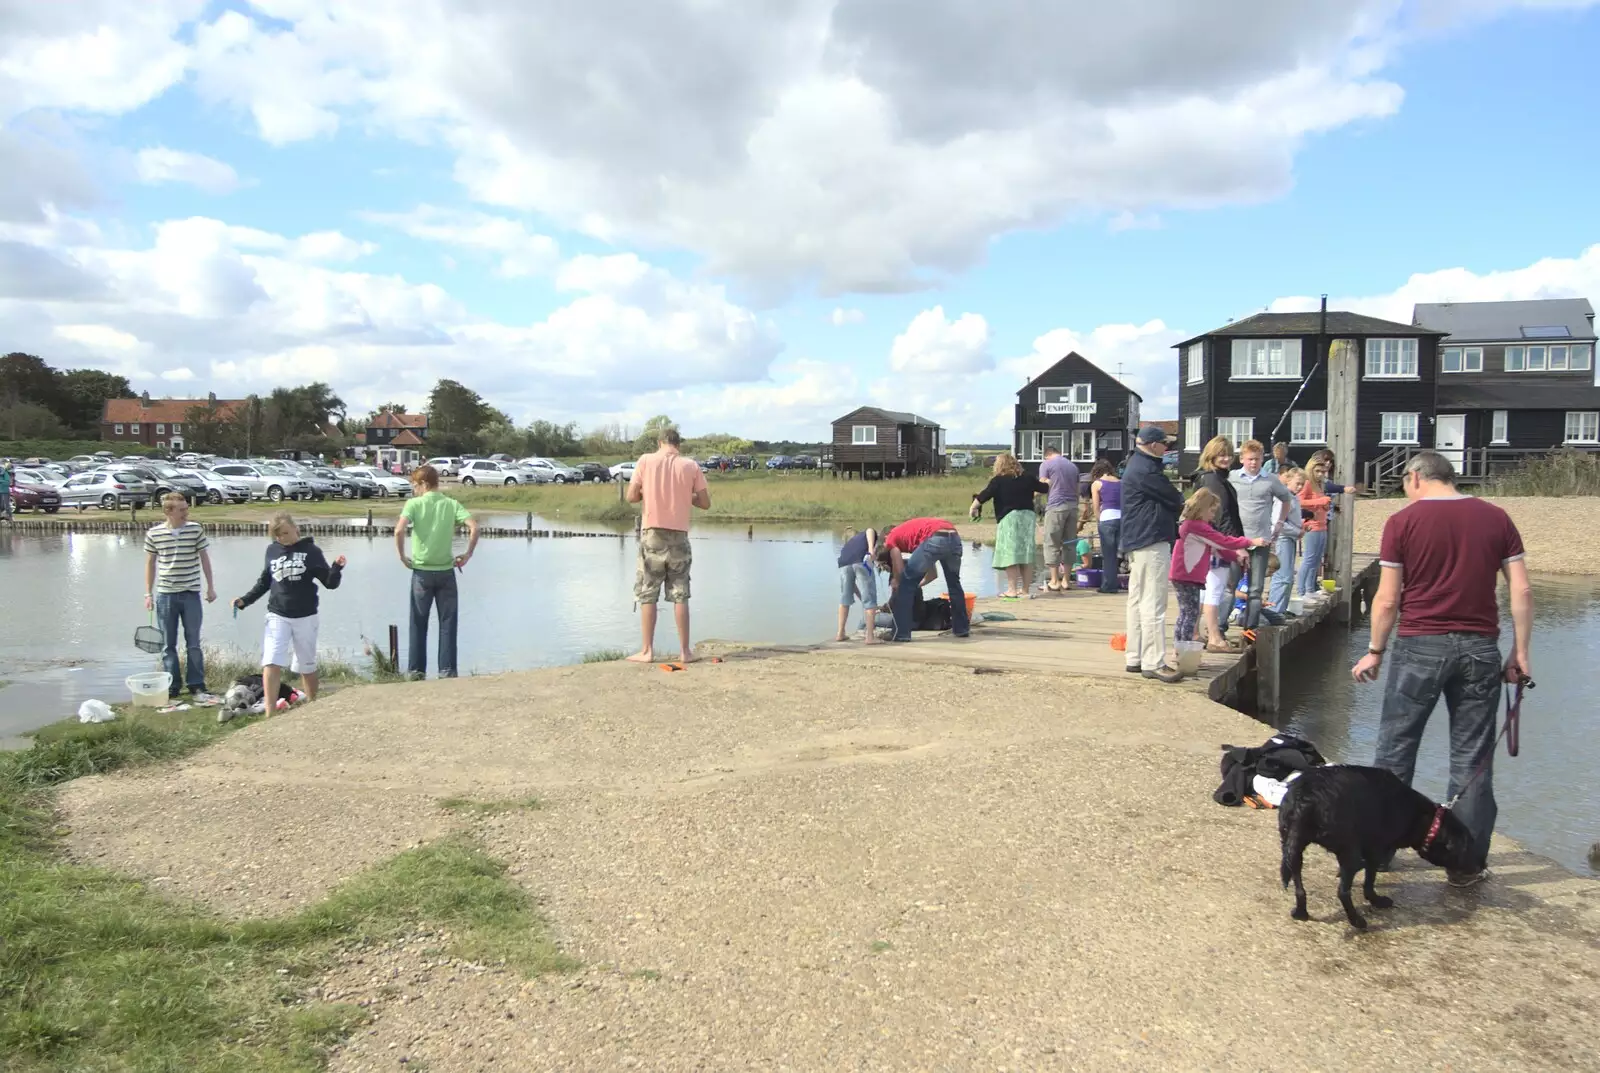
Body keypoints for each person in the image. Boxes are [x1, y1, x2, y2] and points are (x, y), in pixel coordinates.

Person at [1352, 451, 1532, 888]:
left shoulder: (1403, 522)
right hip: (1480, 647)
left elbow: (1388, 599)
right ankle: (1465, 864)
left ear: (1415, 477)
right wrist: (1520, 653)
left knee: (1396, 749)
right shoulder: (1497, 517)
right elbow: (1522, 589)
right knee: (1471, 758)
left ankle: (1382, 851)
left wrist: (1375, 650)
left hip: (1419, 644)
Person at [232, 513, 345, 716]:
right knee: (272, 660)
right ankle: (270, 712)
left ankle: (311, 705)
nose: (282, 538)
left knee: (306, 664)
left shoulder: (311, 551)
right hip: (278, 614)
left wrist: (337, 568)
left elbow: (330, 583)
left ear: (295, 529)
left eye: (285, 533)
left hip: (305, 615)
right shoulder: (272, 551)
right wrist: (245, 600)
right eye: (277, 536)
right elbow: (264, 582)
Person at [626, 426, 711, 663]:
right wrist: (686, 495)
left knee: (648, 591)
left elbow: (631, 496)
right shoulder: (690, 465)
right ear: (678, 444)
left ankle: (647, 650)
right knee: (680, 593)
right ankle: (685, 651)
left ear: (659, 442)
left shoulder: (645, 460)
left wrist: (648, 493)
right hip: (679, 535)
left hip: (652, 533)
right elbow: (705, 502)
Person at [395, 464, 479, 678]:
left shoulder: (413, 504)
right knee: (448, 623)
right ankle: (447, 671)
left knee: (418, 622)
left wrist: (402, 556)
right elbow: (474, 527)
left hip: (421, 572)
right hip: (446, 572)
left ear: (424, 484)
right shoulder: (451, 504)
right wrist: (467, 554)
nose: (414, 489)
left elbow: (399, 530)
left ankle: (416, 671)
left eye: (415, 485)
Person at [1121, 427, 1186, 682]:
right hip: (1151, 538)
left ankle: (1134, 657)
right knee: (1154, 602)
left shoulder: (1136, 464)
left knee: (1136, 600)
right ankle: (1154, 661)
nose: (1167, 448)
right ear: (1152, 445)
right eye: (1164, 444)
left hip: (1138, 539)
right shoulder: (1147, 470)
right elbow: (1175, 497)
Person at [143, 492, 218, 700]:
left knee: (193, 642)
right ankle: (173, 685)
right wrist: (148, 594)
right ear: (169, 511)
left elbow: (205, 559)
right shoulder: (154, 533)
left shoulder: (195, 530)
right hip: (165, 594)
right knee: (168, 644)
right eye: (182, 510)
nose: (186, 513)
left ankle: (197, 684)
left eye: (186, 508)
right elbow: (150, 564)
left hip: (190, 593)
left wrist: (210, 587)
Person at [1170, 487, 1262, 647]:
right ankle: (1183, 650)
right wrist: (1251, 542)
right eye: (1211, 511)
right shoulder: (1197, 526)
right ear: (1202, 509)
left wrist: (1235, 556)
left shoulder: (1191, 525)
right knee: (1189, 614)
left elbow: (1215, 548)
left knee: (1186, 613)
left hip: (1184, 576)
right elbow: (1223, 541)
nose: (1213, 516)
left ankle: (1181, 649)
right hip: (1187, 576)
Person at [1229, 440, 1295, 628]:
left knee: (1256, 588)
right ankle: (1222, 626)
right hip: (1237, 540)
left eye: (1257, 459)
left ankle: (1251, 627)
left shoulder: (1270, 479)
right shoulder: (1232, 477)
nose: (1253, 463)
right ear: (1242, 459)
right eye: (1250, 459)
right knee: (1230, 585)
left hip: (1261, 540)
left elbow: (1286, 499)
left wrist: (1280, 523)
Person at [970, 452, 1048, 599]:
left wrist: (973, 507)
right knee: (1026, 552)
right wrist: (1047, 481)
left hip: (1009, 517)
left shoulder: (998, 480)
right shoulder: (1027, 477)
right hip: (1028, 517)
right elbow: (1044, 488)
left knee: (1010, 553)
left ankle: (1012, 590)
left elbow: (984, 495)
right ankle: (1025, 591)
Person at [878, 517, 970, 642]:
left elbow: (900, 572)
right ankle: (961, 629)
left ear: (885, 537)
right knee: (954, 584)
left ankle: (900, 633)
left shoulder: (890, 538)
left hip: (935, 537)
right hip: (954, 537)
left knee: (905, 586)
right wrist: (917, 585)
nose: (886, 548)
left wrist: (897, 582)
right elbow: (932, 574)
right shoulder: (915, 537)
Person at [1036, 445, 1081, 592]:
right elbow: (1078, 489)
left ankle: (1054, 580)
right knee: (1069, 543)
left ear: (1046, 455)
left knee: (1051, 543)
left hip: (1056, 506)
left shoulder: (1046, 464)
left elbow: (1043, 487)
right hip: (1073, 507)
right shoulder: (1073, 466)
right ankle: (1066, 580)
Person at [1269, 467, 1307, 615]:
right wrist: (1298, 531)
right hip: (1282, 539)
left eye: (1302, 484)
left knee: (1289, 575)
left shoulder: (1293, 497)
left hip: (1290, 538)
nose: (1300, 487)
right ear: (1288, 480)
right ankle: (1274, 609)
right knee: (1282, 576)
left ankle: (1282, 609)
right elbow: (1277, 522)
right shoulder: (1283, 497)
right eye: (1297, 483)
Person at [835, 525, 880, 644]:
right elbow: (870, 529)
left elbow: (851, 587)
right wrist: (871, 550)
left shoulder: (847, 547)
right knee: (870, 598)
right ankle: (870, 637)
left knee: (845, 597)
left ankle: (840, 633)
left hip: (844, 563)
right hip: (862, 560)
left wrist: (861, 597)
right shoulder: (863, 535)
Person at [1088, 459, 1122, 594]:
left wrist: (1099, 520)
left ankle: (1109, 586)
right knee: (1119, 554)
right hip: (1121, 518)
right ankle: (1119, 582)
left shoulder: (1097, 484)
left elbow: (1096, 506)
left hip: (1107, 519)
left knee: (1108, 555)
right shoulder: (1121, 482)